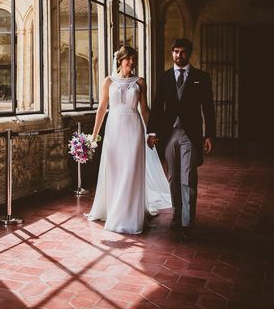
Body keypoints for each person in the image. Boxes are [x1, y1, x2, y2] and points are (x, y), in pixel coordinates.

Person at [86, 45, 171, 234]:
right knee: (115, 171)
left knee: (131, 170)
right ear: (120, 59)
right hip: (114, 130)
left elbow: (144, 110)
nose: (131, 63)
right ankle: (114, 209)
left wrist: (151, 133)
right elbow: (102, 109)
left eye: (134, 59)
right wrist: (94, 136)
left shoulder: (140, 82)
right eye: (128, 59)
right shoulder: (108, 81)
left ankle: (129, 215)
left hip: (134, 129)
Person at [147, 38, 215, 241]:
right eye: (175, 51)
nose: (179, 55)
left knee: (188, 178)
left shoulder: (201, 77)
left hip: (190, 136)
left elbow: (208, 107)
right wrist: (152, 132)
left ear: (190, 53)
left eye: (183, 52)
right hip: (169, 135)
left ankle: (187, 221)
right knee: (173, 178)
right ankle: (177, 215)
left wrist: (209, 134)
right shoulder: (165, 77)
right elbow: (158, 106)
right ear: (172, 53)